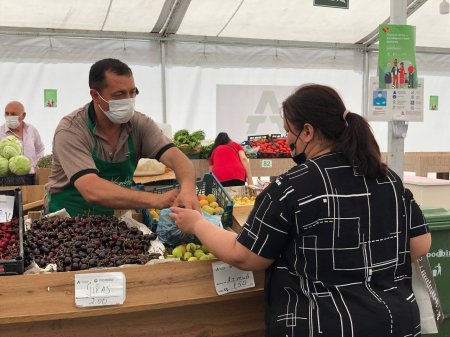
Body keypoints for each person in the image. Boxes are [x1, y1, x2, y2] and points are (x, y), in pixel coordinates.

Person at [169, 84, 432, 336]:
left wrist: (196, 223)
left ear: (307, 132)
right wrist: (364, 263)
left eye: (288, 131)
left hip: (324, 325)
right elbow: (420, 244)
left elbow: (245, 256)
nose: (287, 139)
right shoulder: (386, 178)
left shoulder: (290, 187)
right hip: (395, 323)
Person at [45, 58, 198, 216]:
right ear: (95, 96)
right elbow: (91, 189)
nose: (128, 101)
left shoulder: (139, 124)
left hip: (112, 224)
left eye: (132, 92)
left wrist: (187, 189)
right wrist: (155, 199)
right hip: (67, 223)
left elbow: (176, 157)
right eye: (119, 94)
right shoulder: (71, 130)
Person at [0, 101, 45, 171]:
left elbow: (40, 149)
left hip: (32, 175)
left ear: (23, 115)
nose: (9, 117)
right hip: (9, 178)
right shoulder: (1, 132)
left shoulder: (32, 130)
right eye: (7, 113)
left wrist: (36, 165)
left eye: (13, 114)